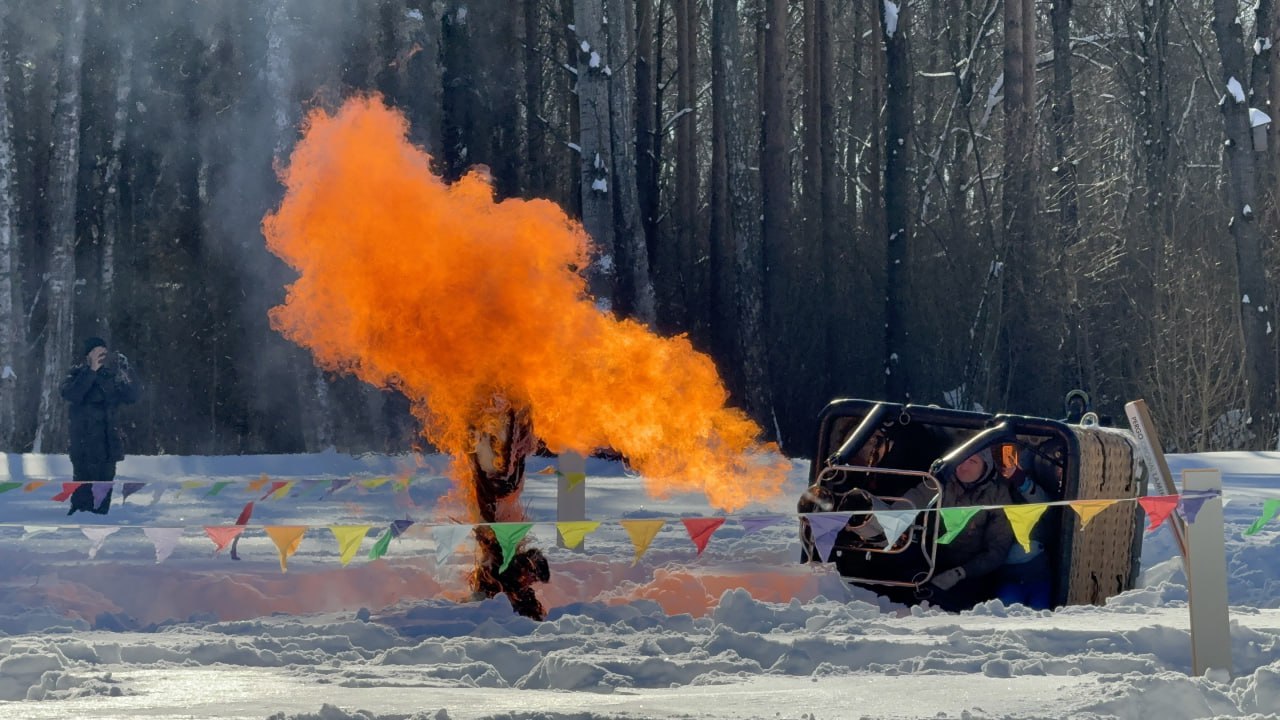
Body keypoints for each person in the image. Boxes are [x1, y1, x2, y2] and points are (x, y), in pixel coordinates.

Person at [898, 447, 1015, 611]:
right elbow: (915, 498)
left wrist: (960, 573)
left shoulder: (998, 495)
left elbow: (997, 548)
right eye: (961, 459)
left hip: (971, 569)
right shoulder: (943, 481)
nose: (963, 466)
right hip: (932, 558)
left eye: (972, 461)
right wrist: (890, 517)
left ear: (986, 466)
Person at [60, 336, 138, 515]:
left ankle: (100, 525)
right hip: (83, 445)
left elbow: (133, 396)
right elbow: (73, 394)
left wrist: (127, 370)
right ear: (88, 355)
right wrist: (91, 370)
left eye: (103, 353)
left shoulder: (112, 377)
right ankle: (79, 522)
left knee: (102, 497)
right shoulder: (75, 375)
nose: (101, 357)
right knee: (82, 493)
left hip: (108, 445)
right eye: (96, 353)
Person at [994, 447, 1058, 610]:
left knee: (1040, 611)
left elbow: (1042, 501)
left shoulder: (1040, 494)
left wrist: (1020, 479)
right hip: (1009, 574)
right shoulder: (995, 492)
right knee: (1008, 608)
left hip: (1038, 571)